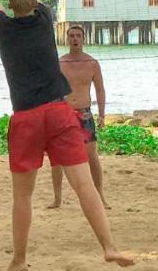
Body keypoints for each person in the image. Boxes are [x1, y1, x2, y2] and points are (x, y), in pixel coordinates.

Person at [0, 0, 133, 269]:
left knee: (22, 196)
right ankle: (109, 247)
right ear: (34, 0)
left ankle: (19, 259)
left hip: (26, 118)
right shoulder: (44, 20)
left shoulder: (2, 28)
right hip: (58, 112)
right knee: (84, 186)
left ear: (10, 5)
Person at [50, 24, 109, 209]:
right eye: (72, 36)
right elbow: (52, 90)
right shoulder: (60, 63)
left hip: (84, 113)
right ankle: (57, 198)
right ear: (67, 39)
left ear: (83, 39)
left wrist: (101, 115)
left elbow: (100, 90)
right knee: (57, 158)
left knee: (92, 156)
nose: (75, 39)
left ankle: (100, 195)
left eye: (78, 36)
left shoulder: (92, 63)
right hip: (64, 113)